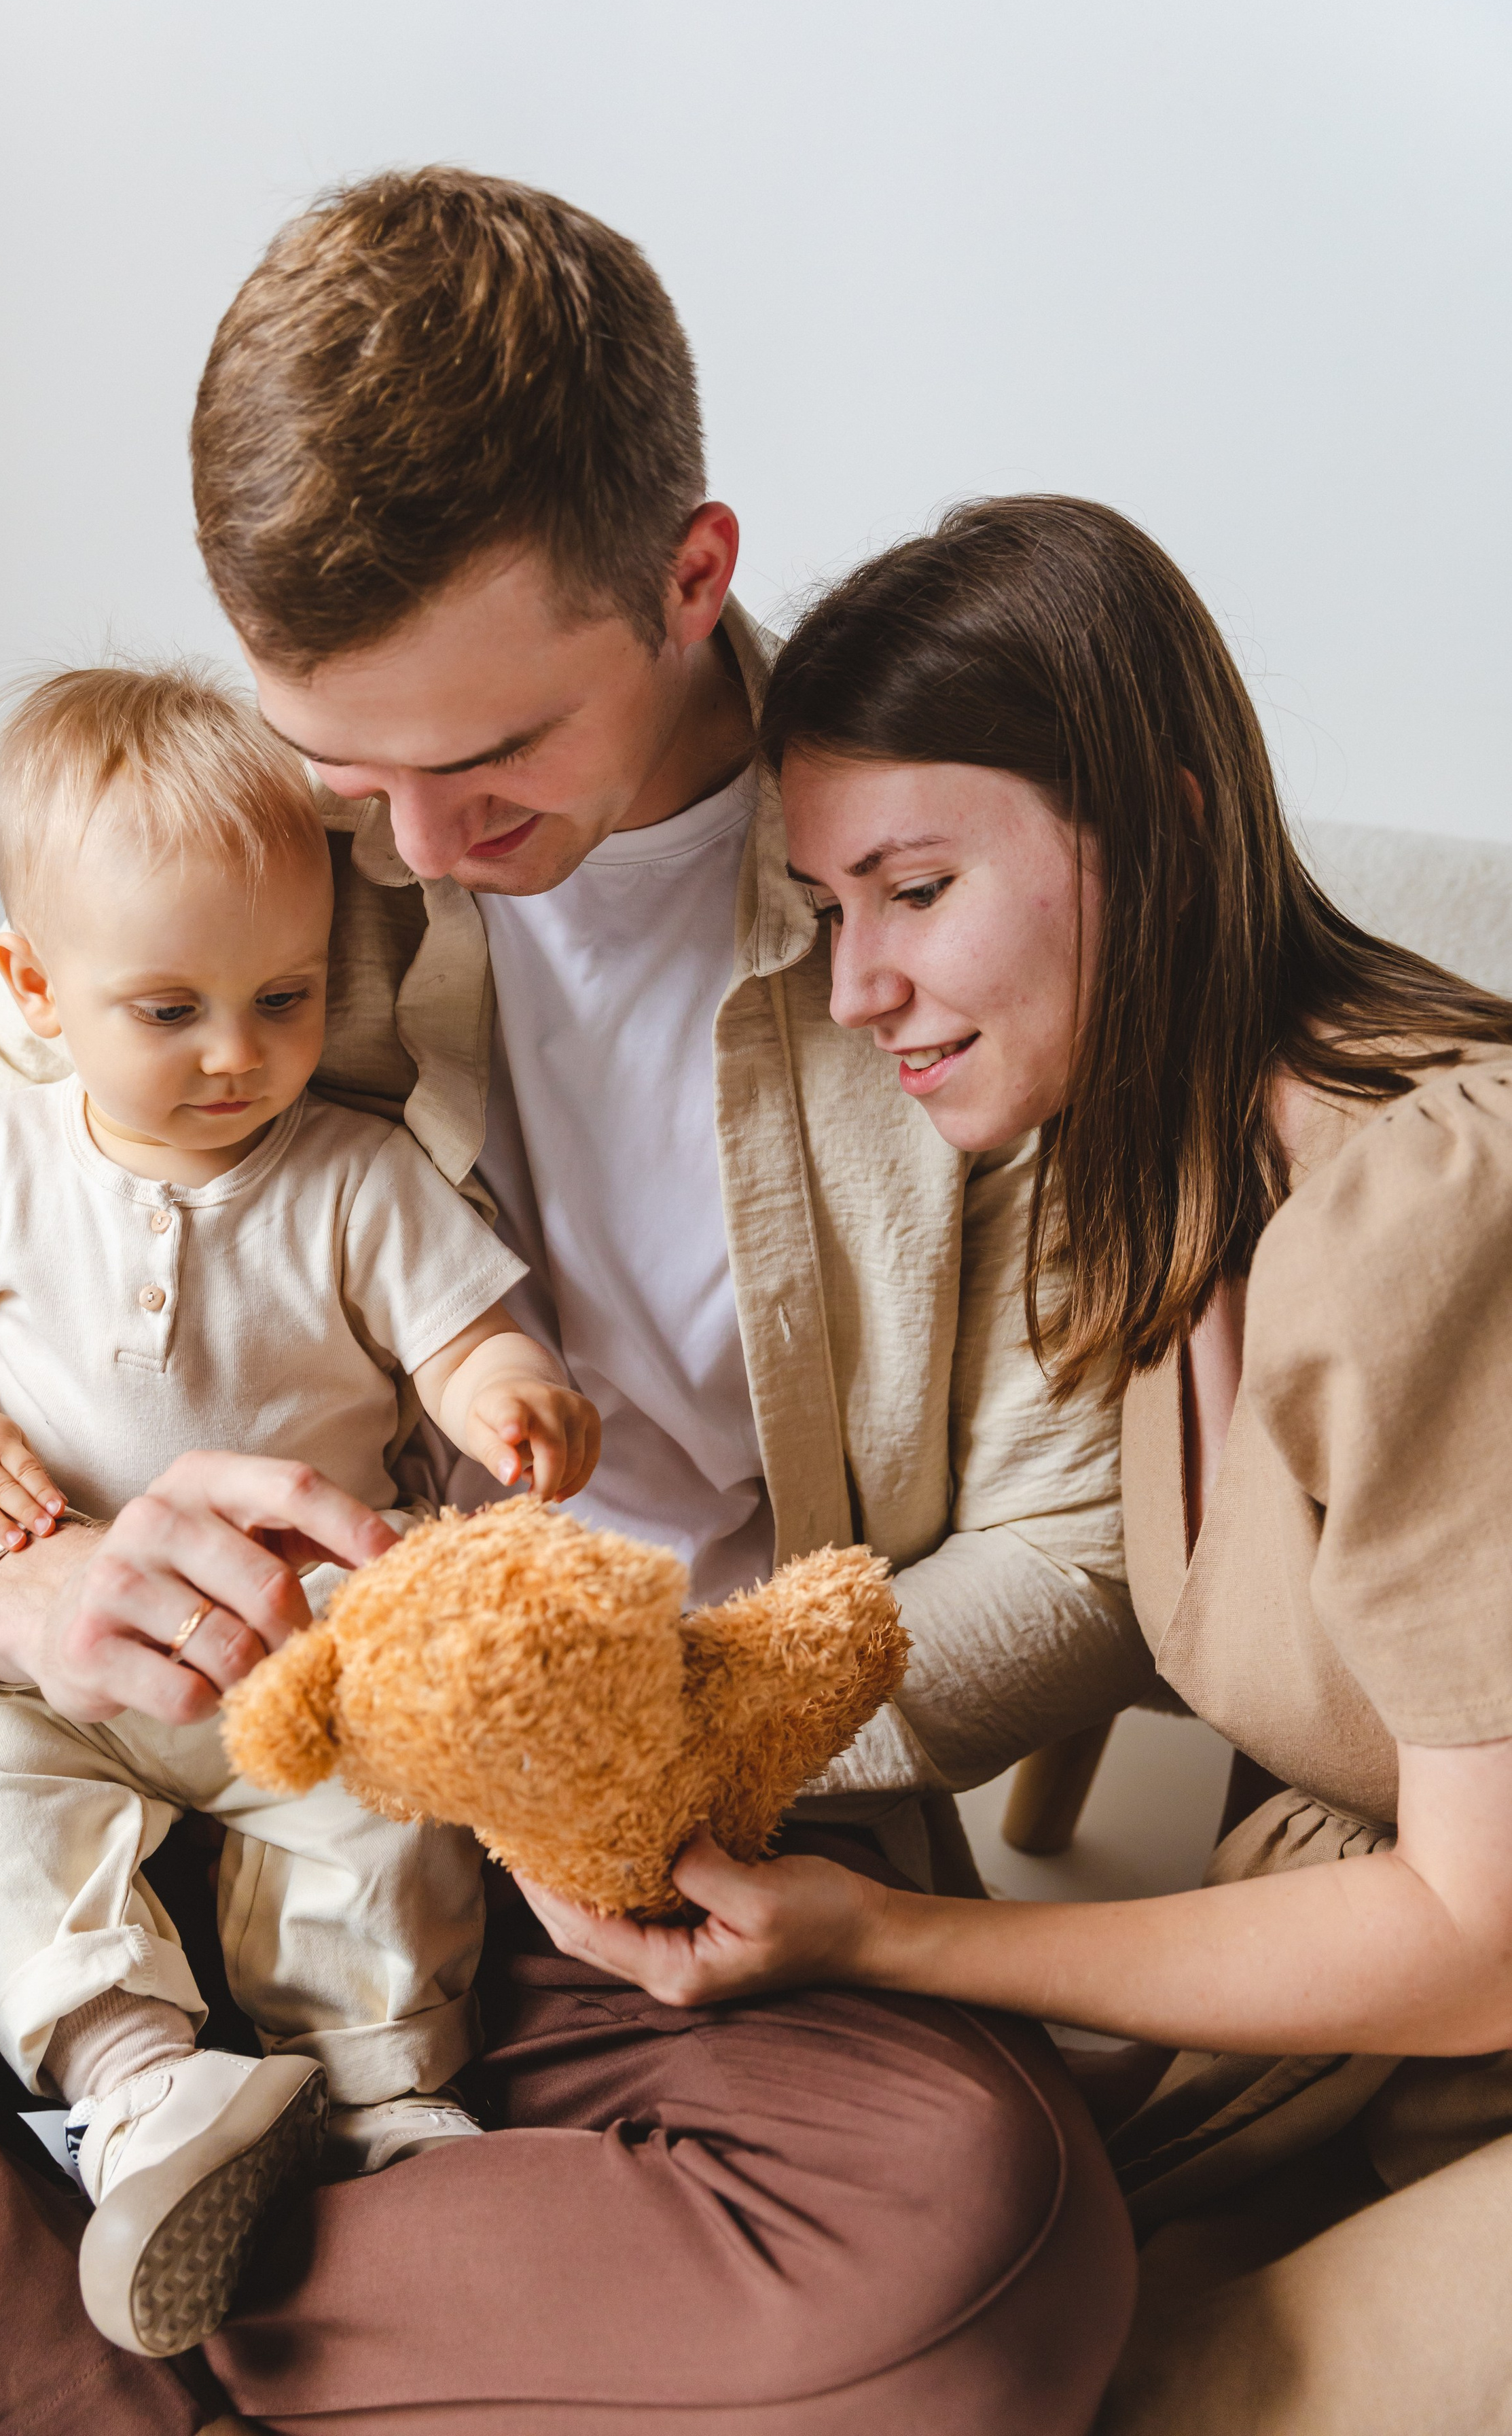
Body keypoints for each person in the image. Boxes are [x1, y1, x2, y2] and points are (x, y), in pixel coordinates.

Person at [0, 177, 1138, 2429]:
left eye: (490, 759)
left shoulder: (937, 905)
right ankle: (155, 2160)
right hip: (119, 1769)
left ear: (692, 580)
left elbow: (1075, 1555)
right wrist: (24, 1600)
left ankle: (56, 2286)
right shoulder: (197, 870)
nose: (399, 851)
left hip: (615, 1867)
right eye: (344, 763)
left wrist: (642, 1735)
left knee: (980, 2262)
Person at [526, 492, 1512, 2436]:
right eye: (828, 913)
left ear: (1163, 826)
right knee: (964, 2326)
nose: (855, 990)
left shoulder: (1421, 1222)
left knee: (1118, 2384)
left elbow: (1481, 1939)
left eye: (912, 891)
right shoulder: (1146, 1185)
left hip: (1471, 1985)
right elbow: (1214, 1609)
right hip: (1392, 1998)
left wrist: (897, 1933)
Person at [0, 661, 602, 2359]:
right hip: (54, 1654)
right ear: (37, 988)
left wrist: (505, 1398)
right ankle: (140, 2086)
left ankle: (378, 2103)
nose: (238, 1055)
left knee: (381, 1824)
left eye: (285, 996)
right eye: (169, 1011)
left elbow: (460, 1329)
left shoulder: (353, 1173)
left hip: (288, 1652)